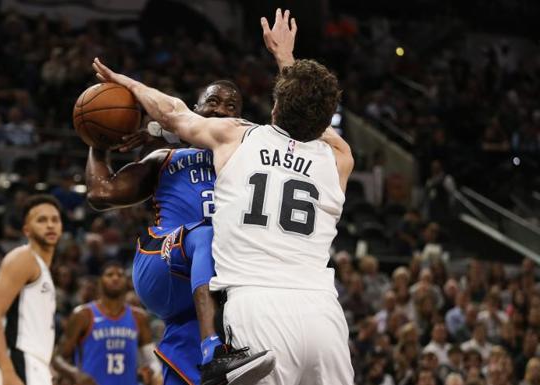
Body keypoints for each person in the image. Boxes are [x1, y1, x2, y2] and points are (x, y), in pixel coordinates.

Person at [92, 9, 354, 384]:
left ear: (275, 106)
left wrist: (126, 83)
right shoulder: (339, 158)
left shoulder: (237, 137)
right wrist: (286, 59)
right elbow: (315, 117)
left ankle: (211, 348)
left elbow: (171, 112)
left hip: (256, 306)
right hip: (321, 310)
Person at [0, 194, 63, 385]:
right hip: (18, 359)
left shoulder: (41, 268)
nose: (50, 225)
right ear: (27, 229)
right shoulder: (24, 258)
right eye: (41, 220)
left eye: (55, 220)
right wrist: (7, 371)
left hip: (31, 362)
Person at [53, 261, 162, 385]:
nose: (115, 278)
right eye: (109, 275)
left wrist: (154, 373)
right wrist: (75, 373)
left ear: (126, 282)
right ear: (100, 281)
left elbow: (151, 360)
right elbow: (57, 358)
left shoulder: (139, 317)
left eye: (120, 275)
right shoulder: (83, 315)